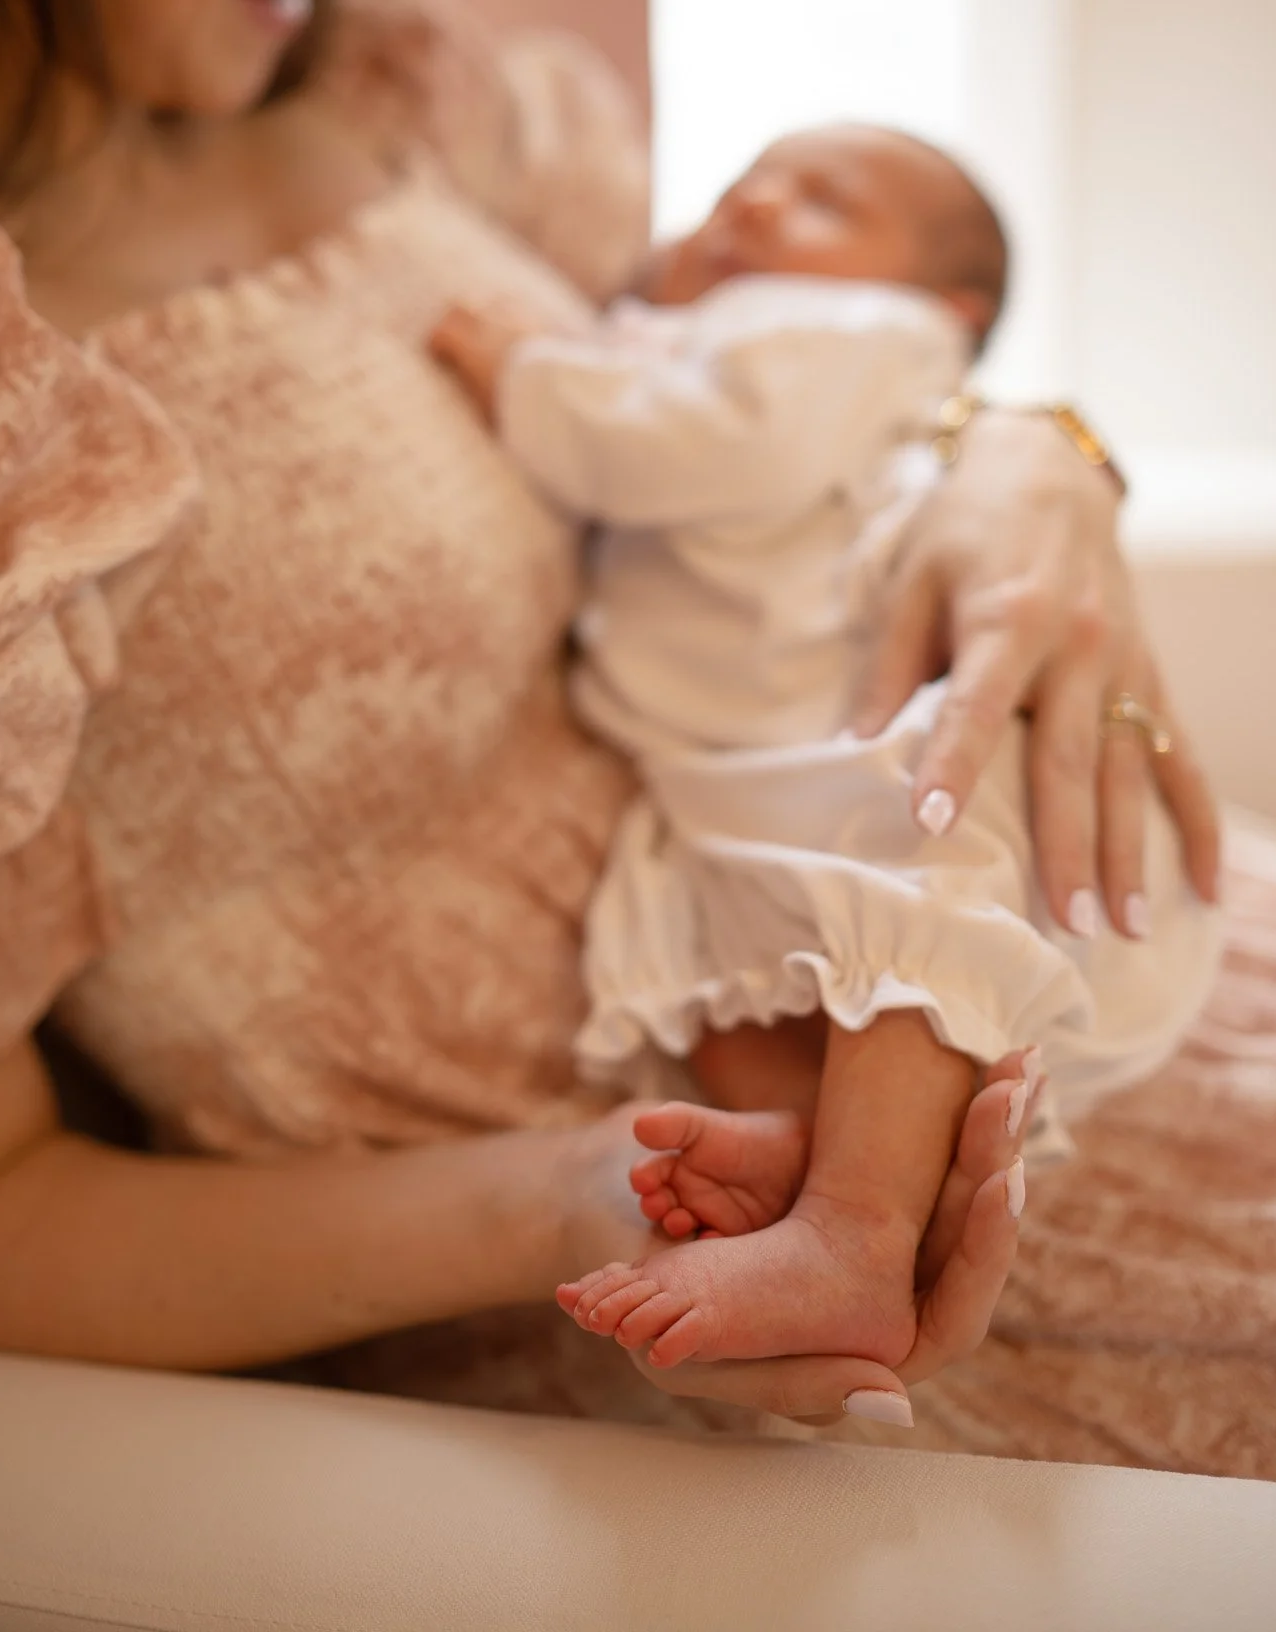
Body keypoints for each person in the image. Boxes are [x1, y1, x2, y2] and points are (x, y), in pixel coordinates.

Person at [0, 0, 1221, 1439]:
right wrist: (590, 1196)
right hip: (746, 1255)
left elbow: (754, 382)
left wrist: (1037, 457)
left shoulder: (386, 92)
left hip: (1023, 997)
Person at [431, 123, 1219, 1371]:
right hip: (738, 760)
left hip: (879, 718)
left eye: (822, 201)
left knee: (909, 874)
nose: (754, 204)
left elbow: (704, 442)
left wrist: (528, 369)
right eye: (742, 182)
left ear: (948, 311)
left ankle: (855, 1233)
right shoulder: (712, 326)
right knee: (721, 953)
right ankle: (821, 1164)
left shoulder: (848, 332)